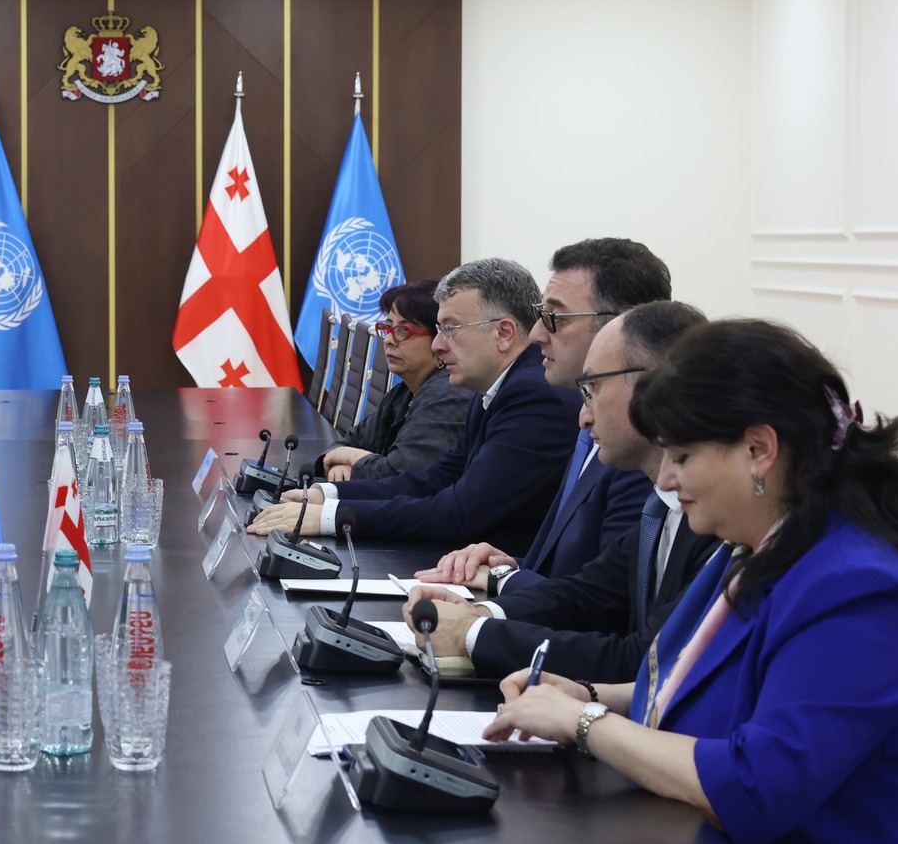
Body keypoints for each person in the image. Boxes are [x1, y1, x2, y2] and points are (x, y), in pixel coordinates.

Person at [484, 320, 898, 844]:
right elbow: (709, 686)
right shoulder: (764, 546)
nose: (665, 479)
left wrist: (585, 722)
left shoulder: (865, 588)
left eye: (681, 456)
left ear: (759, 449)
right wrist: (589, 694)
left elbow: (757, 784)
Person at [406, 302, 724, 681]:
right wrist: (479, 614)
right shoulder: (664, 505)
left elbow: (642, 659)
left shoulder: (715, 522)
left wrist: (472, 633)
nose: (583, 417)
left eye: (592, 390)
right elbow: (586, 594)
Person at [249, 258, 579, 552]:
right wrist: (326, 495)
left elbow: (459, 513)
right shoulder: (495, 387)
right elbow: (432, 481)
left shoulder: (534, 396)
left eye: (449, 329)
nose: (438, 345)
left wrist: (329, 518)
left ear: (503, 333)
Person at [421, 238, 670, 591]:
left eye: (554, 318)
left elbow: (606, 599)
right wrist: (508, 568)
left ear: (622, 326)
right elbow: (567, 569)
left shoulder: (636, 445)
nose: (536, 333)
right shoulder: (587, 422)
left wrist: (504, 584)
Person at [314, 280, 473, 483]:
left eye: (404, 331)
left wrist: (351, 456)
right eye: (388, 328)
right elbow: (348, 442)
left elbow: (401, 475)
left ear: (439, 339)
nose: (389, 340)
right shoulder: (404, 392)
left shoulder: (449, 394)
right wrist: (338, 462)